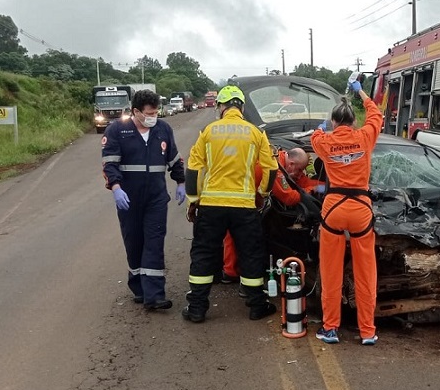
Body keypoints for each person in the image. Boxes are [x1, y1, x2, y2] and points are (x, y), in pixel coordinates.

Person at [183, 85, 279, 323]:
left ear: (221, 107)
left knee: (204, 254)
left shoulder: (208, 131)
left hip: (211, 206)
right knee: (250, 254)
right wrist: (262, 194)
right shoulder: (256, 132)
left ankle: (196, 308)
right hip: (244, 207)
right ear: (242, 107)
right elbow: (271, 168)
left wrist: (193, 201)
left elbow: (193, 169)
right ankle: (257, 305)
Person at [310, 79, 383, 345]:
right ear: (353, 121)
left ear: (334, 122)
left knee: (331, 272)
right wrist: (360, 92)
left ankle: (330, 329)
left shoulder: (324, 141)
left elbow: (314, 137)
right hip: (361, 209)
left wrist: (320, 128)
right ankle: (367, 331)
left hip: (333, 209)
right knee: (366, 274)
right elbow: (376, 113)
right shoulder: (365, 136)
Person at [101, 89, 185, 310]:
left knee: (154, 242)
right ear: (136, 111)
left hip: (156, 197)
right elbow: (109, 163)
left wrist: (181, 182)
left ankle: (154, 295)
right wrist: (116, 187)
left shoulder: (163, 129)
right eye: (149, 113)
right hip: (128, 197)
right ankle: (139, 288)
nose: (153, 116)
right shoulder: (117, 130)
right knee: (134, 242)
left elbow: (174, 159)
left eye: (156, 112)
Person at [219, 147, 322, 284]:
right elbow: (290, 197)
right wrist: (309, 191)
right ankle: (236, 274)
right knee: (239, 236)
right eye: (299, 170)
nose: (300, 174)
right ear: (291, 164)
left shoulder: (281, 162)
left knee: (234, 235)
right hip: (235, 199)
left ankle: (232, 271)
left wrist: (326, 187)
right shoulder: (274, 166)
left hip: (238, 197)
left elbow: (301, 182)